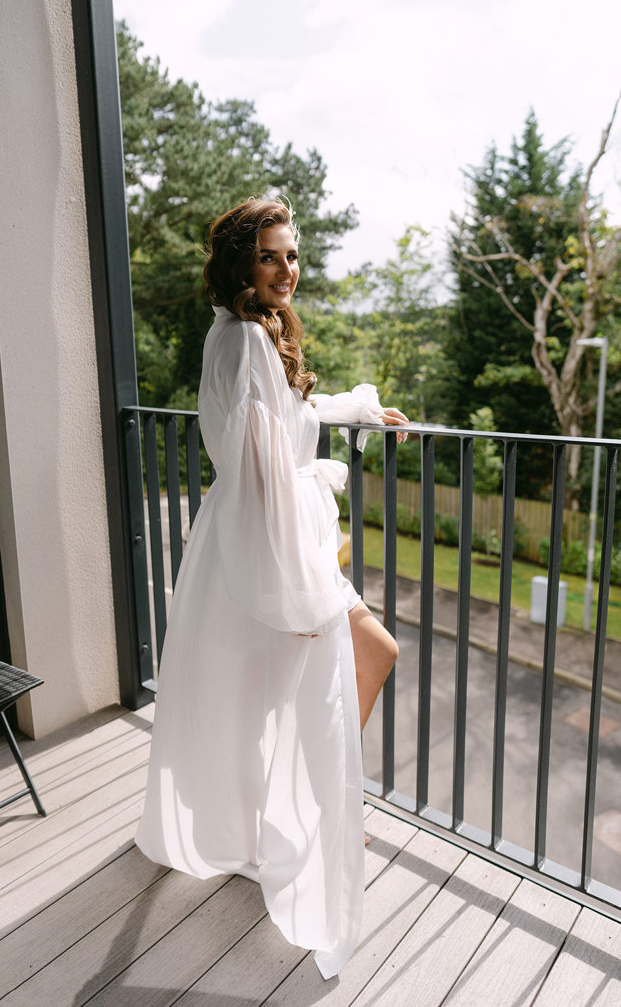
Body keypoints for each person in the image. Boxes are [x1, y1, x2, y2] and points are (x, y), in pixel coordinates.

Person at [135, 198, 407, 978]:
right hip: (269, 548)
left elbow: (283, 420)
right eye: (272, 257)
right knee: (360, 660)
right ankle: (319, 813)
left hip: (250, 542)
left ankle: (307, 809)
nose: (289, 270)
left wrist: (357, 408)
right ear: (239, 265)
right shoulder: (247, 341)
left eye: (293, 255)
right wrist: (309, 575)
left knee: (266, 701)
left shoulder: (242, 334)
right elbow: (263, 476)